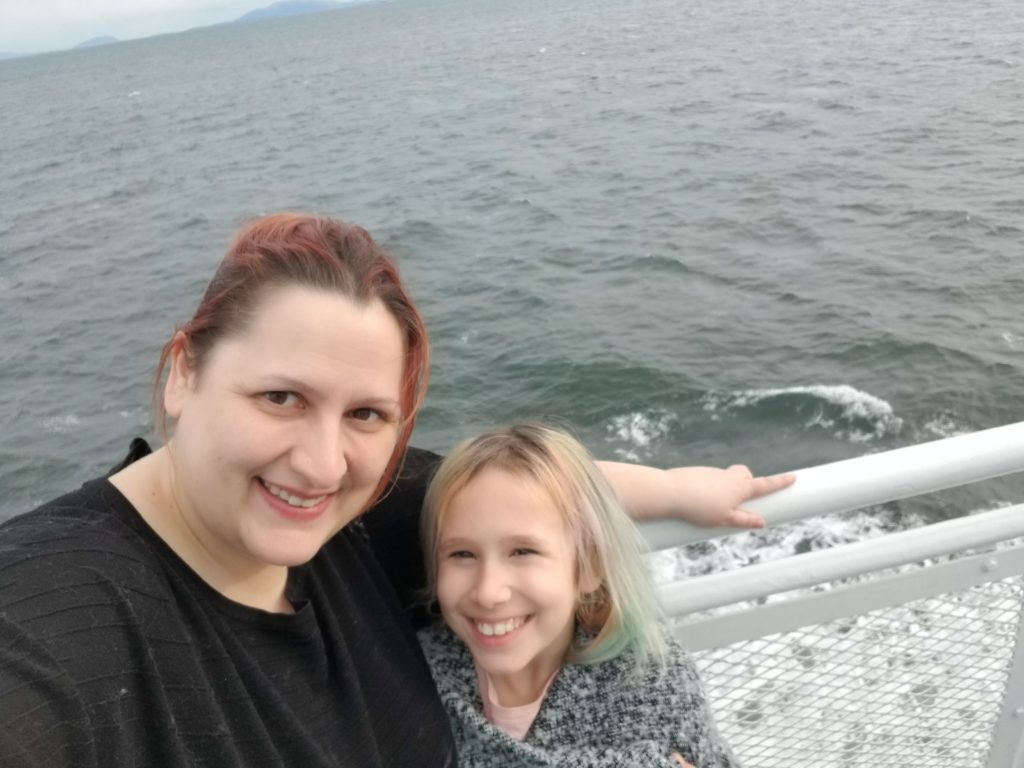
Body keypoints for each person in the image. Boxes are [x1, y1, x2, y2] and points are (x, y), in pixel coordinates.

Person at [0, 213, 790, 767]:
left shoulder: (359, 514)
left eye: (369, 413)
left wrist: (684, 487)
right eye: (281, 397)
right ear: (184, 372)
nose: (321, 465)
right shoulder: (53, 617)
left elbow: (529, 493)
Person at [418, 423, 739, 767]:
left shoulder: (655, 682)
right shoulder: (409, 674)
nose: (488, 592)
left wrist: (675, 489)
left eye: (523, 552)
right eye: (461, 555)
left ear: (588, 567)